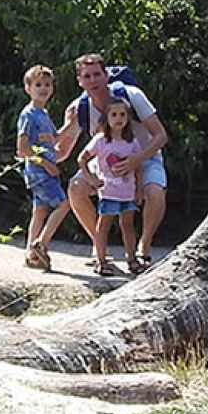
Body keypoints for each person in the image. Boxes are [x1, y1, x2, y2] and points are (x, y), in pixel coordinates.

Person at [56, 53, 170, 270]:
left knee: (155, 192)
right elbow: (62, 151)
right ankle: (101, 248)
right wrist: (36, 157)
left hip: (144, 155)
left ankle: (143, 248)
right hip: (105, 163)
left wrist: (136, 160)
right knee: (76, 187)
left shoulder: (132, 96)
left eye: (97, 74)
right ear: (80, 81)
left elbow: (161, 135)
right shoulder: (79, 108)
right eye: (87, 76)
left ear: (106, 75)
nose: (93, 80)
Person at [78, 98, 143, 275]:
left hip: (127, 192)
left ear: (128, 118)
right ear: (106, 118)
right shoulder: (100, 140)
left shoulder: (132, 143)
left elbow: (137, 168)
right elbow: (82, 158)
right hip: (108, 192)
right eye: (114, 114)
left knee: (128, 225)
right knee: (104, 225)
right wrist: (91, 179)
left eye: (122, 114)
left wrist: (139, 189)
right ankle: (101, 260)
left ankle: (132, 258)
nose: (118, 118)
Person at [15, 64, 70, 270]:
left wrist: (71, 123)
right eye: (38, 84)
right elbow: (22, 149)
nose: (43, 88)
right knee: (64, 205)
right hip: (39, 172)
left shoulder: (44, 114)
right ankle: (41, 244)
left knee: (39, 212)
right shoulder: (28, 115)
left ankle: (31, 255)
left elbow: (54, 138)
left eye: (47, 84)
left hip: (45, 170)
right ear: (28, 88)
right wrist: (47, 165)